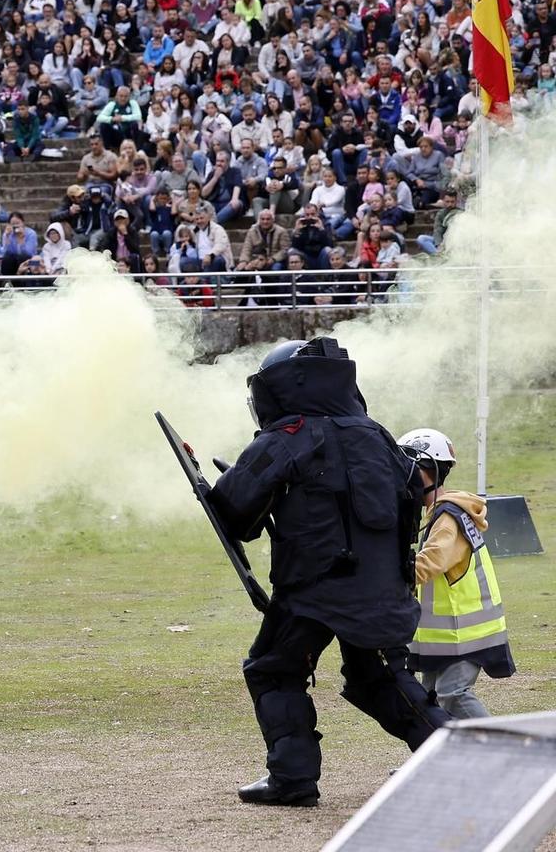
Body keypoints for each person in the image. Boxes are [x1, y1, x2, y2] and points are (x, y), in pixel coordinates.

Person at [208, 337, 445, 807]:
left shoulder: (290, 434)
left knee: (274, 670)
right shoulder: (378, 435)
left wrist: (221, 487)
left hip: (314, 589)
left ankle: (292, 780)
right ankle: (462, 760)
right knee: (376, 678)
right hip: (381, 588)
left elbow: (235, 514)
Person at [400, 428, 514, 719]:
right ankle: (442, 762)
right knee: (431, 701)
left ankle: (504, 752)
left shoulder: (448, 517)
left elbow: (431, 562)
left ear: (426, 471)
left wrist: (387, 574)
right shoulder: (442, 513)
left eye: (405, 468)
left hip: (465, 633)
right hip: (447, 635)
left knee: (453, 694)